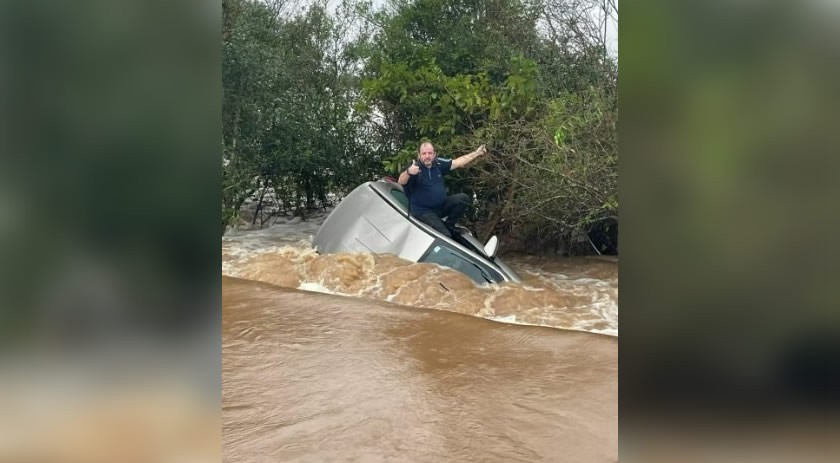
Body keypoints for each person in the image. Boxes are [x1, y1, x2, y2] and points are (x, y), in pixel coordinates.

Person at [397, 141, 486, 237]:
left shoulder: (438, 163)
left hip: (440, 208)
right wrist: (409, 172)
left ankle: (450, 225)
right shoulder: (414, 167)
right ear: (419, 155)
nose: (427, 156)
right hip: (423, 211)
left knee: (463, 199)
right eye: (424, 153)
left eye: (430, 153)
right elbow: (401, 181)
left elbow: (458, 162)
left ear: (434, 154)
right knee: (446, 236)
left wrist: (477, 153)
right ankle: (447, 231)